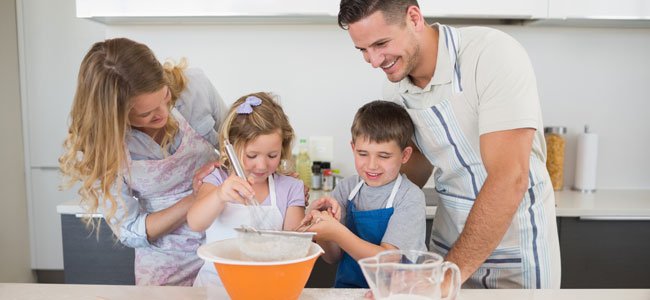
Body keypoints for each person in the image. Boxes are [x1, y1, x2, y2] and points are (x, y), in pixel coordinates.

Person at [337, 0, 561, 289]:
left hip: (517, 246)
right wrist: (347, 204)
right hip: (447, 247)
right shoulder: (395, 87)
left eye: (381, 43)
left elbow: (510, 178)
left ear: (414, 18)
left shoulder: (492, 55)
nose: (375, 60)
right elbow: (406, 172)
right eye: (363, 50)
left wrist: (445, 278)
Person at [59, 38, 228, 286]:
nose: (163, 113)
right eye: (146, 113)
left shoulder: (196, 89)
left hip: (222, 238)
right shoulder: (102, 146)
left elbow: (240, 146)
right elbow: (130, 229)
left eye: (165, 97)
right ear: (114, 116)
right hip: (164, 259)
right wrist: (196, 198)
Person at [303, 100, 427, 288]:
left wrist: (337, 232)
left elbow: (388, 263)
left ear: (405, 155)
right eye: (363, 154)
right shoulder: (347, 189)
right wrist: (318, 225)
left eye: (384, 156)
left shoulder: (409, 197)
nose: (371, 165)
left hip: (397, 294)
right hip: (349, 291)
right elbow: (332, 257)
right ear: (353, 148)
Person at [187, 92, 306, 286]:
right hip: (214, 287)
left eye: (272, 155)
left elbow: (294, 249)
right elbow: (195, 222)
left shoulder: (291, 188)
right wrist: (220, 195)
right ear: (231, 148)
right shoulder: (217, 179)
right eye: (252, 155)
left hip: (267, 288)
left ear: (282, 148)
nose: (261, 165)